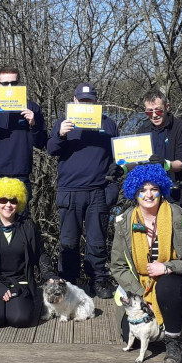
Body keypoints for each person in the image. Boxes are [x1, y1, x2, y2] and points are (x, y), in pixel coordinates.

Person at [109, 164, 182, 363]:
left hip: (174, 283)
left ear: (162, 190)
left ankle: (173, 341)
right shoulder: (124, 222)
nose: (148, 195)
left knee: (167, 285)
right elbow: (118, 267)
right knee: (130, 336)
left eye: (154, 189)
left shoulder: (178, 216)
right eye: (142, 190)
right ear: (134, 193)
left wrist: (168, 267)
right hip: (140, 289)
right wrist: (142, 296)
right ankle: (166, 323)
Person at [47, 82, 119, 299]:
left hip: (98, 190)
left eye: (90, 100)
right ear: (75, 100)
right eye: (82, 100)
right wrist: (60, 134)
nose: (86, 103)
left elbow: (120, 156)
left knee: (97, 239)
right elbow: (50, 149)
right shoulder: (64, 122)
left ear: (95, 101)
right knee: (69, 240)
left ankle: (98, 279)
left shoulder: (108, 124)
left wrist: (115, 180)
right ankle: (68, 282)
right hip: (69, 191)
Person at [0, 177, 57, 328]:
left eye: (13, 201)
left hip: (19, 282)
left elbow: (41, 254)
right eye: (3, 200)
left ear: (19, 203)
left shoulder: (28, 226)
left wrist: (50, 275)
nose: (8, 205)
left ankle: (19, 304)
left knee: (19, 320)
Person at [0, 67, 48, 220]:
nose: (9, 87)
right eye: (5, 83)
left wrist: (33, 124)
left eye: (13, 83)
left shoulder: (31, 108)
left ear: (19, 84)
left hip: (20, 177)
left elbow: (41, 143)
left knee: (19, 228)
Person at [135, 89, 182, 218]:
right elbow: (137, 162)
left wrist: (165, 164)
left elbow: (181, 163)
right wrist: (122, 167)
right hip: (151, 196)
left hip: (178, 194)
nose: (154, 115)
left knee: (179, 236)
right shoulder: (143, 130)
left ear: (167, 107)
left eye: (158, 110)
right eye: (149, 112)